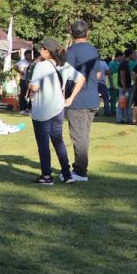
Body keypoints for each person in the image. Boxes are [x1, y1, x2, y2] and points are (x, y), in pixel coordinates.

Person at [28, 38, 80, 185]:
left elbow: (35, 88)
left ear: (47, 51)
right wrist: (71, 98)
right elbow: (81, 78)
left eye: (42, 48)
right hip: (58, 108)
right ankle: (67, 174)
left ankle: (46, 176)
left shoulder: (41, 66)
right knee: (58, 141)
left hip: (42, 109)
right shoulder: (64, 65)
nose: (40, 51)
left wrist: (31, 84)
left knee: (43, 145)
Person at [62, 20, 100, 181]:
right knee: (83, 135)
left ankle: (80, 171)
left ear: (72, 33)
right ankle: (80, 168)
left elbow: (66, 74)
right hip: (92, 97)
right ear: (87, 33)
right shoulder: (94, 50)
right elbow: (97, 74)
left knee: (79, 137)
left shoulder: (72, 50)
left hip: (78, 99)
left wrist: (64, 95)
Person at [118, 49, 134, 124]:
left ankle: (128, 119)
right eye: (133, 53)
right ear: (130, 54)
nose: (134, 55)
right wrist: (124, 87)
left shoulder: (126, 63)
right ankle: (119, 119)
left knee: (127, 103)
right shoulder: (124, 63)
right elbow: (122, 76)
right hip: (124, 87)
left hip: (127, 86)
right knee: (122, 103)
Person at [16, 49, 33, 114]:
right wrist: (20, 72)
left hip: (30, 80)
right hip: (23, 80)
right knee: (23, 94)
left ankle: (28, 108)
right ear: (25, 55)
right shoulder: (22, 62)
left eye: (30, 55)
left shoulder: (32, 61)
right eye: (28, 55)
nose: (29, 56)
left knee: (30, 95)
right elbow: (15, 66)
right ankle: (22, 109)